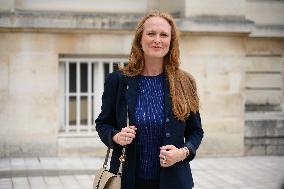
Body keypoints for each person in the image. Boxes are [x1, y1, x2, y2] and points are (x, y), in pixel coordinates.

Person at [95, 11, 204, 189]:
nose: (157, 40)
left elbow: (196, 131)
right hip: (127, 181)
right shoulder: (118, 80)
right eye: (151, 33)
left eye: (164, 35)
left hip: (174, 181)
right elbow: (103, 123)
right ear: (140, 39)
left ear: (171, 41)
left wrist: (182, 153)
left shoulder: (185, 82)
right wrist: (116, 136)